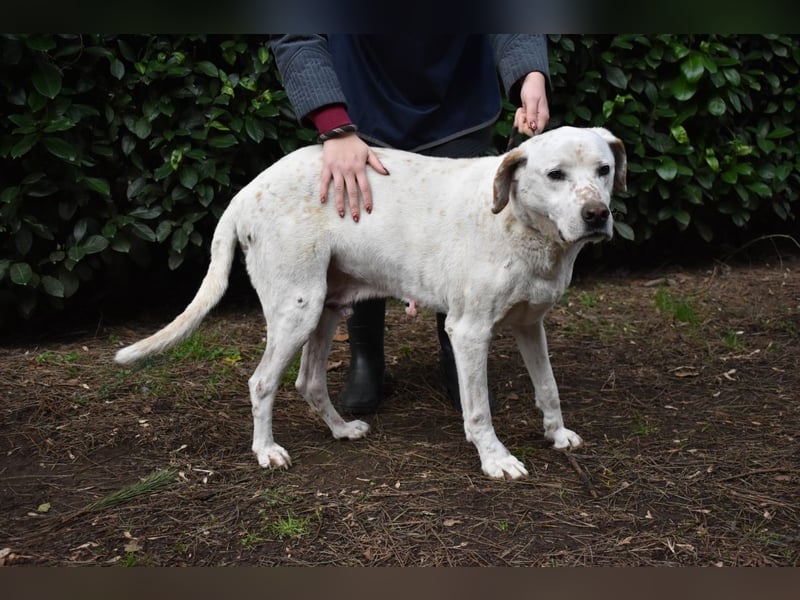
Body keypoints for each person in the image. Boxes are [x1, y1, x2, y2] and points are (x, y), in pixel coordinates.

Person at [270, 34, 551, 415]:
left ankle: (459, 358)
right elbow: (296, 28)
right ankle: (366, 361)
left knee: (462, 235)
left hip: (459, 104)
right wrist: (333, 124)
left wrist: (530, 74)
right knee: (360, 222)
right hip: (359, 105)